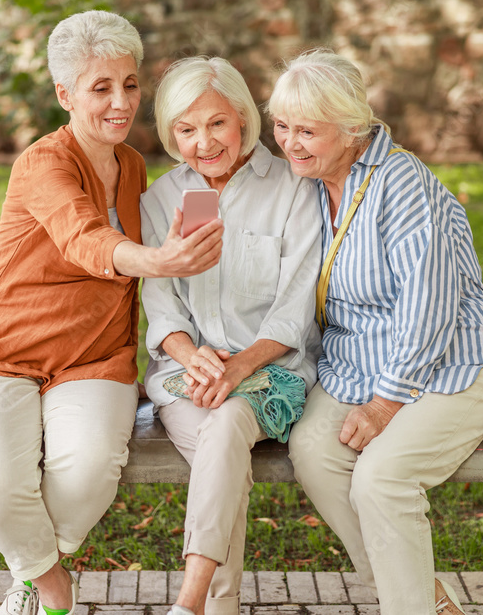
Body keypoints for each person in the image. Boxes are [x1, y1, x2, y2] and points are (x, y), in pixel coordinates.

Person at [0, 11, 224, 615]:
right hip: (1, 349)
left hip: (94, 356)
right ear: (65, 95)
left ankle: (34, 570)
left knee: (92, 469)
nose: (121, 102)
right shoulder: (42, 163)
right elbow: (82, 238)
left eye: (130, 84)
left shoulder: (133, 165)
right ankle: (48, 585)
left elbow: (193, 209)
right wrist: (156, 260)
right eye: (101, 88)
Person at [268, 50, 483, 615]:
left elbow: (429, 305)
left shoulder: (401, 182)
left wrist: (385, 404)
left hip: (449, 360)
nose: (290, 144)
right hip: (357, 363)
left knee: (382, 479)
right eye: (281, 126)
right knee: (313, 451)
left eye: (307, 131)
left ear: (352, 128)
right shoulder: (313, 181)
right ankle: (427, 600)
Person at [140, 56, 322, 615]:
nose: (204, 143)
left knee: (223, 433)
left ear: (242, 116)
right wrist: (192, 356)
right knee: (222, 454)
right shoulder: (161, 199)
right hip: (189, 375)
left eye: (217, 123)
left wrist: (238, 367)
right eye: (186, 130)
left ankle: (192, 602)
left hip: (269, 372)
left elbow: (294, 309)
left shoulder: (293, 189)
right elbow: (161, 305)